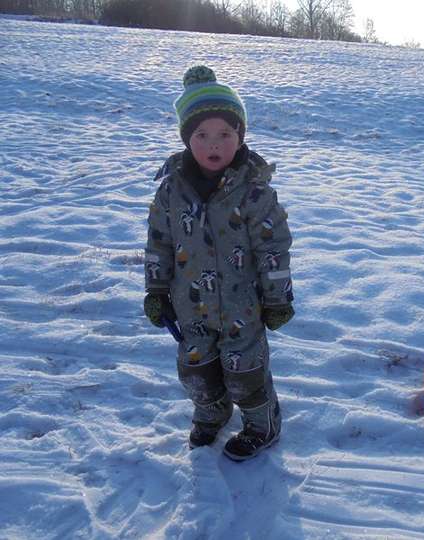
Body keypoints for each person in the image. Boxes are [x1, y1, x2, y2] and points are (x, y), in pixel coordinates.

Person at [143, 65, 294, 461]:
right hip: (189, 304)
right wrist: (156, 289)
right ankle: (211, 412)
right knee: (197, 369)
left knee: (246, 372)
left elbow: (274, 249)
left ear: (240, 136)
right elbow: (158, 242)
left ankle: (262, 424)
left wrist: (278, 298)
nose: (214, 145)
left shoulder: (254, 192)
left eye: (225, 134)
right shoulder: (171, 191)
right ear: (187, 139)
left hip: (242, 306)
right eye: (202, 135)